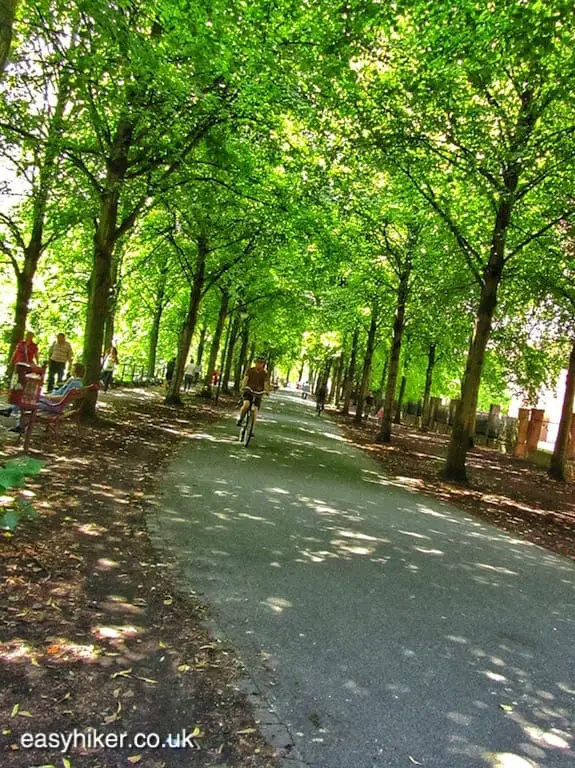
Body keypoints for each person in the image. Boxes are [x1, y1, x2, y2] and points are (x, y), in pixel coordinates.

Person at [236, 357, 270, 437]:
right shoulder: (250, 370)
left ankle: (252, 430)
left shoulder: (265, 373)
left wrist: (266, 391)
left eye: (261, 363)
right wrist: (243, 386)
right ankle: (240, 418)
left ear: (263, 364)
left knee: (255, 411)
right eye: (258, 362)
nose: (259, 364)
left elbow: (265, 383)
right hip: (249, 391)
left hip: (258, 393)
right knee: (246, 404)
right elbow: (245, 379)